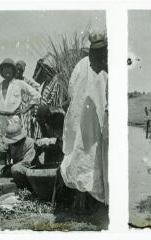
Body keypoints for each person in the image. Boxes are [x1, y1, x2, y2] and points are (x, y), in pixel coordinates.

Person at [60, 30, 108, 204]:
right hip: (84, 119)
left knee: (95, 155)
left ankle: (98, 199)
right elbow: (73, 93)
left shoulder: (106, 66)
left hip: (101, 117)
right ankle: (85, 201)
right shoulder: (83, 65)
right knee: (84, 155)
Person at [0, 58, 41, 147]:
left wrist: (25, 109)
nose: (7, 70)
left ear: (13, 70)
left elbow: (37, 95)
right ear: (2, 71)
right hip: (0, 120)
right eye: (5, 68)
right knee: (0, 148)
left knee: (15, 147)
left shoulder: (19, 83)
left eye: (10, 68)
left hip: (13, 119)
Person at [0, 122, 36, 188]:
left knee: (15, 169)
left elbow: (27, 163)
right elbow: (0, 152)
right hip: (12, 168)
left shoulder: (29, 143)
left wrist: (9, 169)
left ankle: (24, 187)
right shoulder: (11, 144)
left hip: (27, 171)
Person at [31, 59, 67, 138]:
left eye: (48, 69)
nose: (46, 71)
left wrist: (44, 111)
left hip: (51, 121)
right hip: (43, 119)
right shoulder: (47, 82)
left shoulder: (57, 82)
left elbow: (56, 104)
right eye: (45, 69)